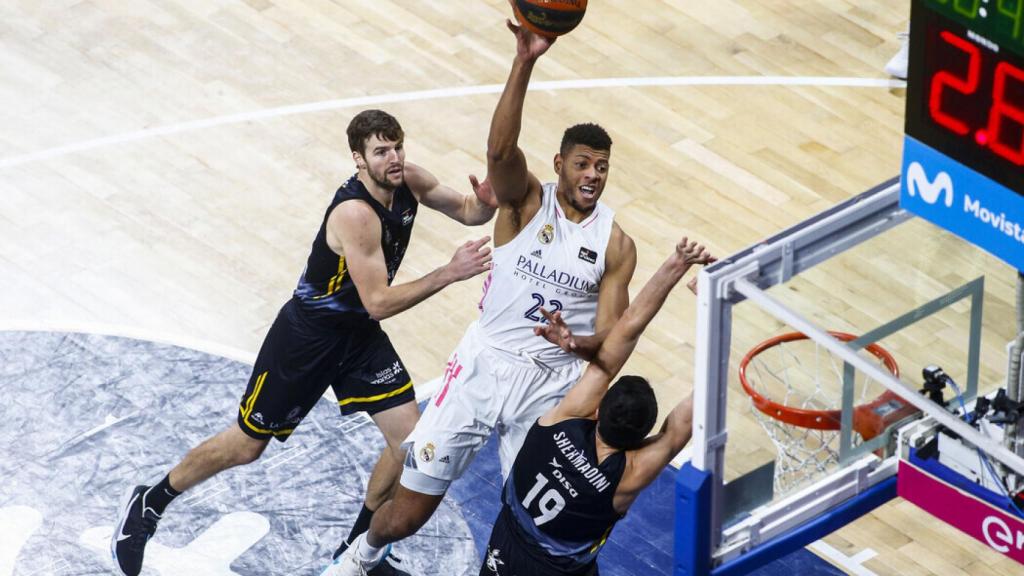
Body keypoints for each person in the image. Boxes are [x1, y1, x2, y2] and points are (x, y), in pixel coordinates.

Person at [111, 109, 496, 576]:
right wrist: (448, 273)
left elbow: (466, 210)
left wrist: (487, 203)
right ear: (358, 159)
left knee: (408, 442)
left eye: (397, 147)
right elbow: (377, 301)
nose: (393, 158)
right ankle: (149, 504)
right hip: (306, 339)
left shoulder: (409, 180)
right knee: (247, 446)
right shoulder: (355, 214)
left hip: (356, 339)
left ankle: (357, 552)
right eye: (381, 152)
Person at [324, 14, 638, 576]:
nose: (594, 175)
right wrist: (525, 61)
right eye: (584, 164)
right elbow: (499, 151)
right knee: (411, 512)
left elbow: (611, 344)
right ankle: (359, 558)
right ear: (559, 164)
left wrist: (576, 340)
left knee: (529, 521)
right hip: (484, 364)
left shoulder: (616, 244)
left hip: (550, 388)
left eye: (603, 168)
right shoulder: (524, 203)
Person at [481, 236, 711, 576]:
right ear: (644, 435)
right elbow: (693, 412)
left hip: (507, 543)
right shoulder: (629, 475)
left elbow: (628, 325)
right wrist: (715, 312)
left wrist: (678, 261)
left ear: (599, 409)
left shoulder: (566, 416)